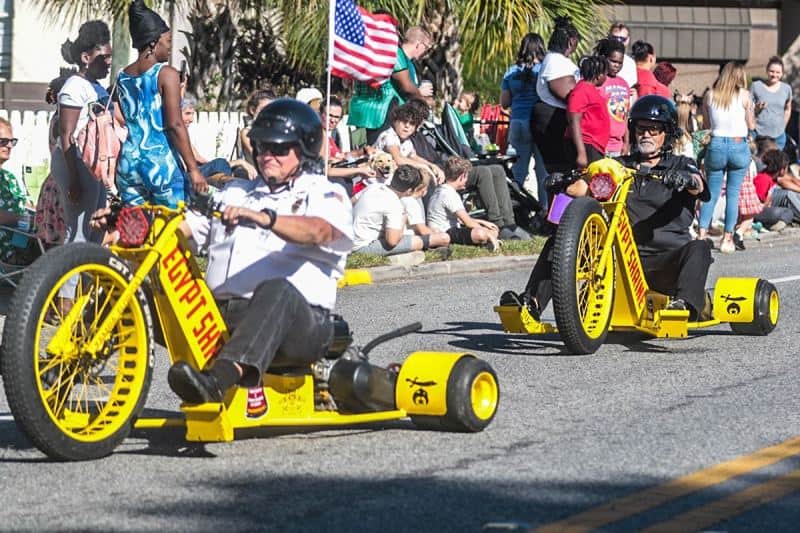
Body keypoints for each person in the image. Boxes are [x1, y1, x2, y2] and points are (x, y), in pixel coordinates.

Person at [162, 98, 354, 404]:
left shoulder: (325, 192)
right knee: (153, 277)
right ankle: (77, 359)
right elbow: (183, 230)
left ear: (302, 151)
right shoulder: (236, 192)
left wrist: (265, 219)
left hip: (299, 326)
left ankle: (216, 382)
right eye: (262, 147)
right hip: (219, 318)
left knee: (279, 290)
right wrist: (137, 228)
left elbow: (320, 230)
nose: (267, 156)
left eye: (279, 149)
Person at [501, 95, 713, 321]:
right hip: (620, 258)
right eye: (642, 129)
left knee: (700, 247)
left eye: (654, 130)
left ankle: (684, 306)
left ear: (667, 134)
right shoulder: (619, 165)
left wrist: (685, 180)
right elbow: (583, 187)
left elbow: (699, 186)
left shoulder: (680, 164)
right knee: (560, 241)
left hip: (667, 261)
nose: (646, 135)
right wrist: (562, 181)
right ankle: (531, 303)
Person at [116, 0, 207, 208]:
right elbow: (175, 124)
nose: (170, 47)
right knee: (171, 230)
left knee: (136, 232)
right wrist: (193, 169)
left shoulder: (122, 77)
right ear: (153, 43)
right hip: (160, 165)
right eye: (167, 41)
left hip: (129, 164)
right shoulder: (166, 74)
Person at [50, 20, 113, 251]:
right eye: (103, 57)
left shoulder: (94, 87)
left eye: (110, 57)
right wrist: (74, 180)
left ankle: (87, 286)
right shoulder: (74, 87)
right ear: (86, 58)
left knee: (95, 234)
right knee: (77, 235)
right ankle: (66, 287)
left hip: (89, 168)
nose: (108, 63)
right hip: (74, 164)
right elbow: (66, 136)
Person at [697, 62, 756, 254]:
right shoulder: (745, 96)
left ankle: (702, 235)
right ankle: (727, 239)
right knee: (733, 194)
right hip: (738, 145)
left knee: (711, 193)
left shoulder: (710, 95)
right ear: (740, 77)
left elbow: (706, 124)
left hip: (716, 144)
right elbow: (752, 125)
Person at [348, 26, 434, 145]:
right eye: (427, 48)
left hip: (374, 114)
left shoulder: (404, 61)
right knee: (378, 155)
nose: (426, 52)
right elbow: (406, 86)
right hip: (380, 115)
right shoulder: (395, 54)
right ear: (419, 44)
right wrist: (422, 99)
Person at [351, 165, 443, 256]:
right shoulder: (395, 204)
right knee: (418, 241)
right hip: (361, 248)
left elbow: (350, 202)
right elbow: (392, 241)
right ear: (409, 191)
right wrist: (402, 219)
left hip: (348, 241)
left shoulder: (373, 187)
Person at [501, 32, 548, 202]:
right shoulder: (544, 70)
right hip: (538, 124)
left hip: (517, 123)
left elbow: (504, 102)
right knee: (542, 171)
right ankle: (545, 210)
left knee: (517, 171)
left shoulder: (511, 72)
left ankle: (514, 208)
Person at [531, 16, 580, 176]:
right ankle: (558, 201)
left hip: (554, 118)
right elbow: (569, 95)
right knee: (560, 173)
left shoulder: (554, 60)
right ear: (571, 42)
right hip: (553, 121)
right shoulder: (557, 62)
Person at [427, 157, 501, 251]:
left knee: (492, 230)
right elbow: (468, 222)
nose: (466, 180)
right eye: (466, 176)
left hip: (448, 230)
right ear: (462, 176)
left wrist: (483, 222)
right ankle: (487, 240)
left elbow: (461, 219)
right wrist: (488, 234)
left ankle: (486, 239)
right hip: (445, 232)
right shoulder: (449, 194)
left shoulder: (441, 190)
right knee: (482, 233)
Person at [181, 96, 257, 182]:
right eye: (187, 113)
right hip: (182, 178)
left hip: (193, 173)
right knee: (220, 163)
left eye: (192, 114)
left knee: (232, 169)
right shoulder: (174, 136)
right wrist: (239, 162)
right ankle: (229, 186)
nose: (191, 119)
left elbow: (200, 160)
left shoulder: (183, 135)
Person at [373, 103, 445, 184]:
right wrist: (424, 167)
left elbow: (413, 156)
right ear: (395, 121)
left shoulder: (407, 141)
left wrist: (432, 166)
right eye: (403, 121)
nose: (407, 126)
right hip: (375, 182)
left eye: (412, 124)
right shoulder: (389, 135)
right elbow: (398, 159)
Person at [322, 96, 376, 196]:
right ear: (321, 114)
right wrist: (359, 170)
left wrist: (362, 151)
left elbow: (341, 156)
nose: (333, 120)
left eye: (337, 117)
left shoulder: (328, 137)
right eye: (330, 115)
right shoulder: (318, 137)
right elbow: (327, 171)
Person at [566, 56, 610, 169]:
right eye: (605, 74)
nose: (606, 77)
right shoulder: (582, 90)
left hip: (593, 147)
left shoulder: (590, 90)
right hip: (587, 146)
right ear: (598, 75)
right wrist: (581, 153)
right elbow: (574, 120)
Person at [0, 118, 32, 263]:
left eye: (11, 141)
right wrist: (22, 219)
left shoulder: (9, 177)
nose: (9, 146)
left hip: (22, 241)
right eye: (3, 141)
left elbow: (23, 205)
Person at [595, 38, 632, 158]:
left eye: (620, 63)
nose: (617, 65)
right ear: (604, 58)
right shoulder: (597, 81)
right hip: (600, 144)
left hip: (618, 147)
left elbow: (625, 116)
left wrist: (626, 142)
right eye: (613, 61)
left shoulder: (624, 84)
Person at [751, 56, 793, 150]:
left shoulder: (786, 89)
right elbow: (748, 110)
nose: (774, 75)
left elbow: (787, 108)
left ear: (782, 73)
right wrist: (757, 109)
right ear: (767, 71)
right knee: (760, 163)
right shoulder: (756, 86)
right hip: (759, 134)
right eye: (772, 71)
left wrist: (783, 125)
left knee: (776, 163)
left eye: (778, 72)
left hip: (778, 136)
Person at [238, 87, 276, 164]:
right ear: (252, 110)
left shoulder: (275, 130)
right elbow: (258, 155)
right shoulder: (247, 132)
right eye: (263, 109)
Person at [608, 23, 637, 90]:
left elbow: (632, 90)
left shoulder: (631, 63)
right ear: (609, 37)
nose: (618, 42)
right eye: (614, 38)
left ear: (628, 40)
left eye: (622, 39)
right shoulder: (599, 59)